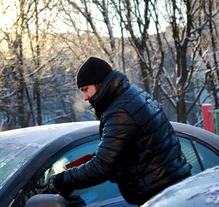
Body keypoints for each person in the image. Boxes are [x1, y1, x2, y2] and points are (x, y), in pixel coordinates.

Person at [48, 57, 191, 206]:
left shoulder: (120, 112)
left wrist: (59, 181)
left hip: (162, 197)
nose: (85, 97)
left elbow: (101, 168)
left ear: (100, 83)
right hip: (171, 191)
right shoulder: (132, 96)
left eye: (86, 89)